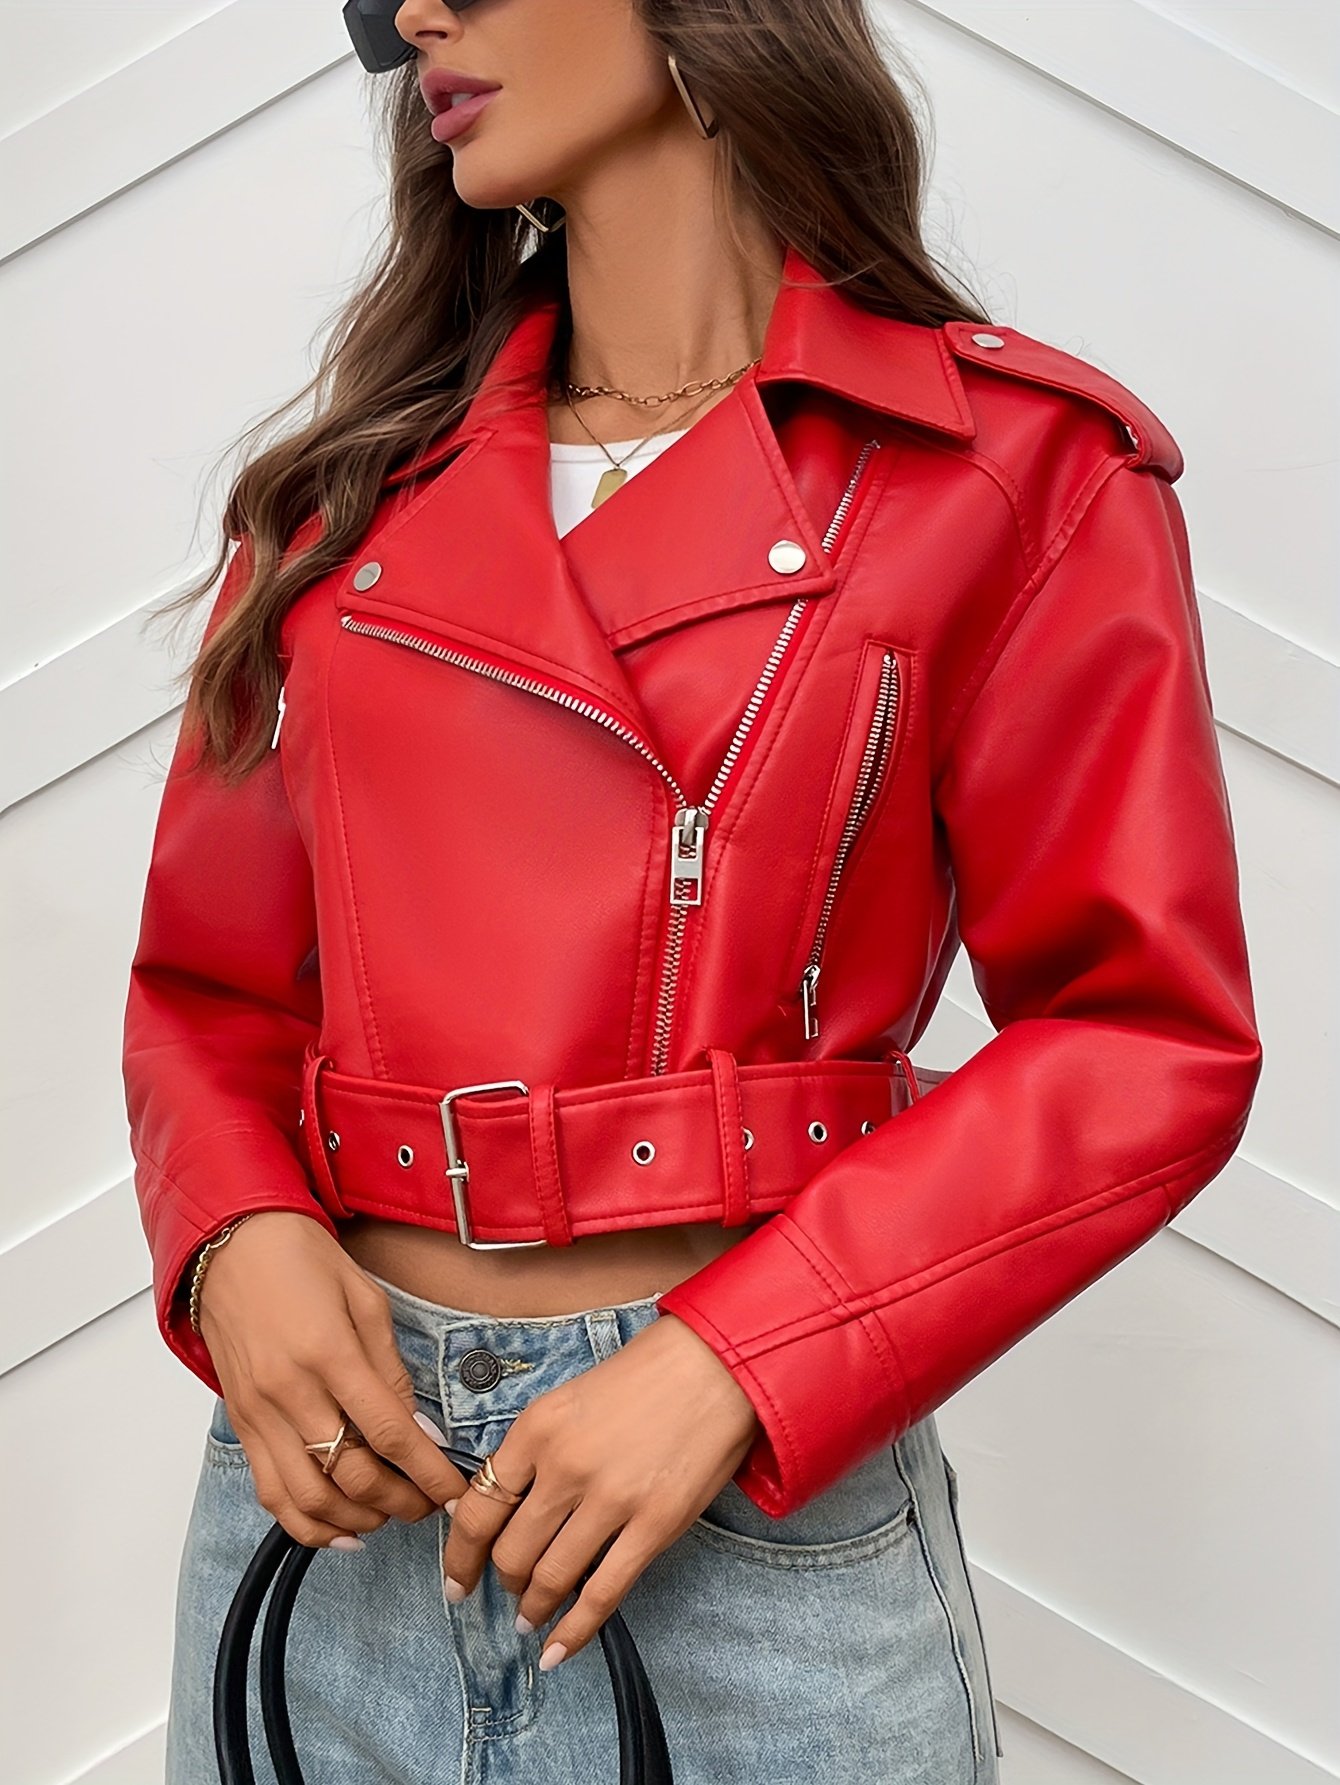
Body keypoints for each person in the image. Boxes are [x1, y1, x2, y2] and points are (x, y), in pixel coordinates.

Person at [121, 2, 1262, 1781]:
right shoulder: (344, 502)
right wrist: (238, 1239)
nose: (415, 13)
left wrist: (738, 1359)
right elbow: (210, 993)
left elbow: (1141, 1034)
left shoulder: (1009, 470)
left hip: (735, 1520)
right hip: (334, 1511)